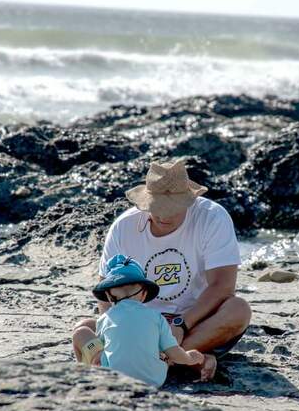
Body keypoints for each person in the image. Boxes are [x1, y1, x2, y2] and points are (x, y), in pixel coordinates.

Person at [92, 158, 252, 380]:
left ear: (189, 201)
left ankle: (159, 359)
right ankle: (185, 360)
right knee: (85, 328)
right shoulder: (123, 227)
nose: (164, 216)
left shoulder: (212, 217)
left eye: (172, 209)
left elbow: (223, 286)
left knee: (238, 310)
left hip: (196, 320)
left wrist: (181, 324)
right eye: (157, 208)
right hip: (142, 322)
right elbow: (106, 295)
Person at [72, 254, 205, 387]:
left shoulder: (106, 318)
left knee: (81, 332)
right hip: (154, 380)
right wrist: (190, 358)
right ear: (144, 294)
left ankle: (85, 375)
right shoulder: (156, 317)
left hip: (114, 379)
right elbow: (174, 353)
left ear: (109, 296)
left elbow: (105, 344)